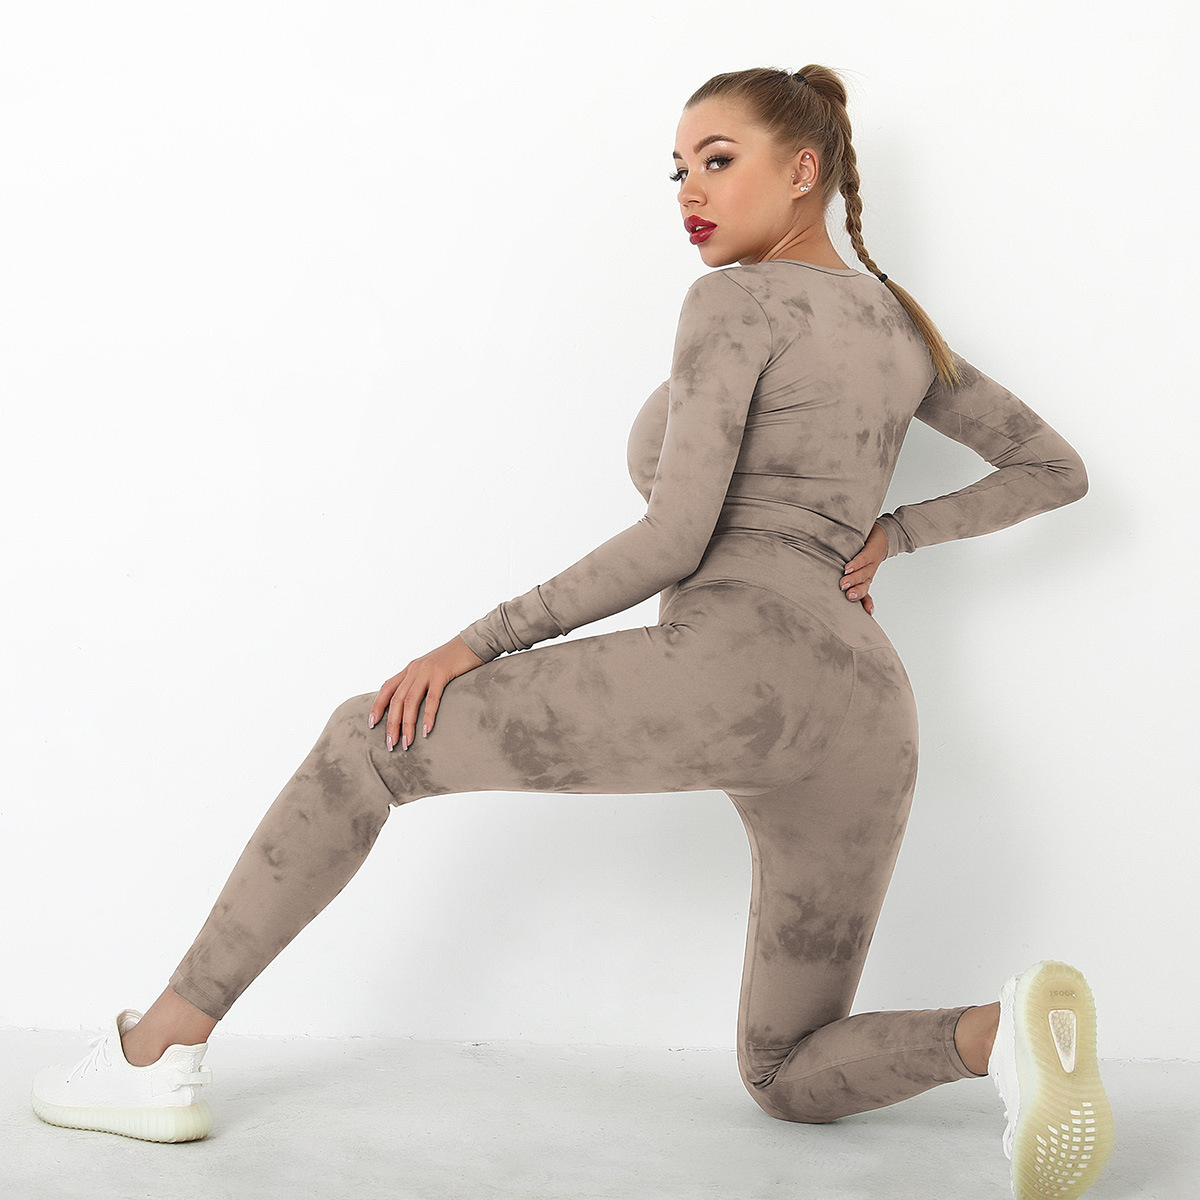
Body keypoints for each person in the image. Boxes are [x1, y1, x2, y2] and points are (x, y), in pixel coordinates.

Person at [31, 63, 1112, 1200]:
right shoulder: (898, 326)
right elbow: (1056, 469)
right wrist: (891, 534)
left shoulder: (734, 303)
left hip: (739, 667)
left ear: (805, 170)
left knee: (367, 741)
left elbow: (674, 538)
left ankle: (153, 1057)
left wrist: (478, 641)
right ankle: (999, 1037)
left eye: (718, 160)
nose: (690, 191)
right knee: (784, 1071)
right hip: (869, 717)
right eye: (677, 170)